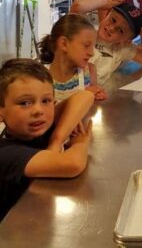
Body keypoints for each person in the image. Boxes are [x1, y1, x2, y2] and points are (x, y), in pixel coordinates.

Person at [0, 58, 94, 220]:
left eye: (46, 100)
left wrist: (56, 140)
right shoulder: (7, 153)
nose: (38, 110)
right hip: (14, 233)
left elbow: (85, 96)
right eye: (25, 103)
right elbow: (72, 164)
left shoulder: (36, 126)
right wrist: (80, 143)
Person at [70, 0, 142, 84]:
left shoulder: (121, 49)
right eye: (113, 20)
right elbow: (77, 6)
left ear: (127, 40)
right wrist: (106, 3)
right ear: (107, 14)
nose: (111, 28)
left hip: (93, 96)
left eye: (121, 31)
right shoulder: (85, 32)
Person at [38, 13, 106, 101]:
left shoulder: (90, 71)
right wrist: (82, 97)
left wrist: (96, 96)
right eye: (86, 45)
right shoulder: (40, 77)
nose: (91, 53)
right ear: (64, 44)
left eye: (92, 47)